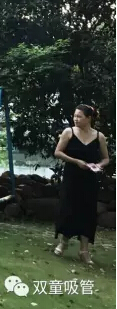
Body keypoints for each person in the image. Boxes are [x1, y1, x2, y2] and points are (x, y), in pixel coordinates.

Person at [53, 104, 109, 265]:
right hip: (72, 177)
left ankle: (84, 250)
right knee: (68, 208)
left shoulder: (99, 137)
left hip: (89, 179)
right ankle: (63, 243)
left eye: (79, 116)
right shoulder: (69, 132)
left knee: (87, 212)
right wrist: (76, 161)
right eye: (75, 116)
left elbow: (106, 159)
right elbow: (58, 152)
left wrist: (99, 165)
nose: (76, 119)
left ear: (89, 118)